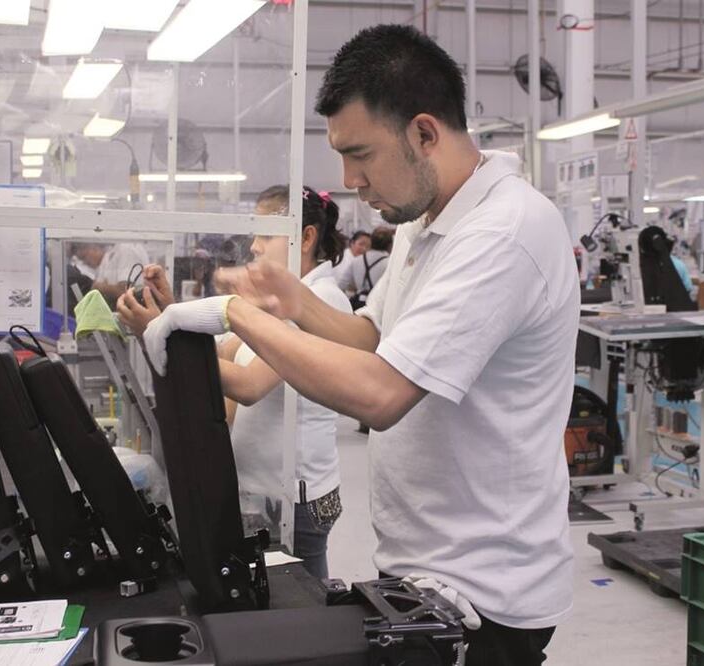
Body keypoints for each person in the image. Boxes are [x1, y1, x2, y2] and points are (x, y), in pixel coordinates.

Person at [121, 25, 578, 665]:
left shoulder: (504, 232)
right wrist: (295, 301)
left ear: (424, 132)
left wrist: (233, 314)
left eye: (360, 154)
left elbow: (381, 392)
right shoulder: (429, 225)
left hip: (487, 590)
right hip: (426, 566)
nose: (348, 179)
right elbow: (373, 337)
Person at [119, 185, 351, 580]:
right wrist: (171, 313)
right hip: (263, 493)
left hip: (295, 501)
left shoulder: (319, 303)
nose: (256, 247)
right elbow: (224, 351)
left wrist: (158, 331)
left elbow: (248, 384)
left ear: (306, 238)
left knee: (303, 605)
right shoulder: (280, 301)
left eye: (266, 233)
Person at [348, 226, 393, 310]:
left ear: (371, 241)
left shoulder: (356, 261)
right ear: (390, 245)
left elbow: (342, 283)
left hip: (359, 304)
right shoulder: (390, 263)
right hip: (379, 306)